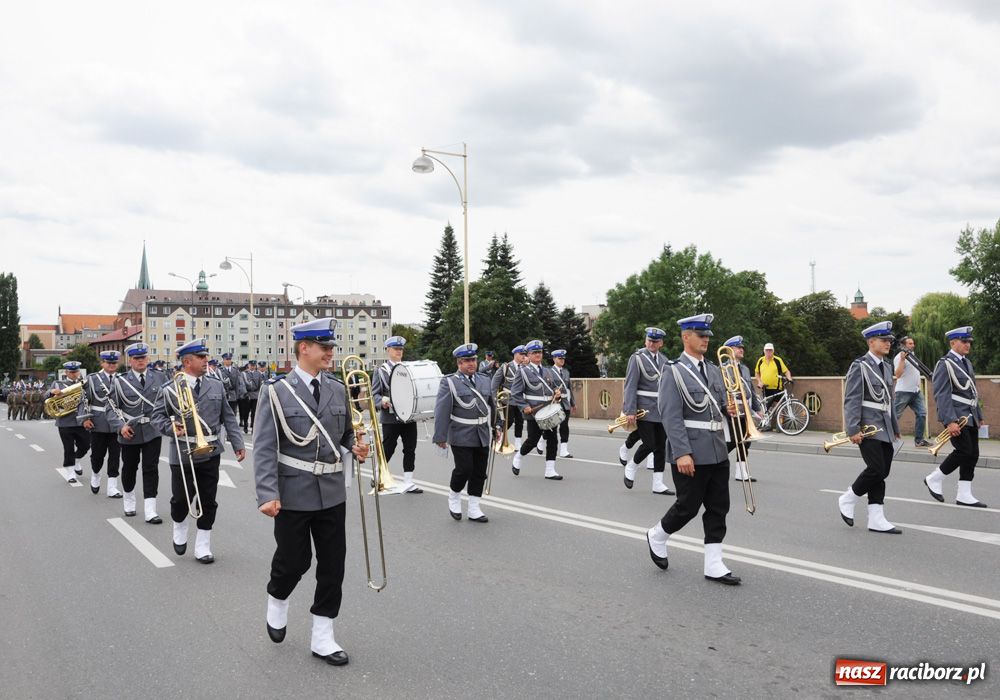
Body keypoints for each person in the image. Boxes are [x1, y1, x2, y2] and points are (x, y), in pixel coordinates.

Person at [253, 318, 368, 667]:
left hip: (332, 491)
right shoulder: (275, 391)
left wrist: (357, 446)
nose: (331, 353)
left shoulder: (336, 388)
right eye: (324, 347)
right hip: (293, 492)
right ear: (304, 348)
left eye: (332, 347)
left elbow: (344, 434)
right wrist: (266, 493)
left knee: (333, 566)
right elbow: (264, 446)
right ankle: (277, 597)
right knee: (294, 561)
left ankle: (323, 635)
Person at [645, 314, 741, 584]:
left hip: (716, 448)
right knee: (688, 506)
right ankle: (658, 535)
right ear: (686, 337)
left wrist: (728, 408)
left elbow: (719, 402)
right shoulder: (673, 370)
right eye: (701, 336)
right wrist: (682, 452)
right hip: (691, 450)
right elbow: (671, 416)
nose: (707, 340)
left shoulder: (712, 369)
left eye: (708, 336)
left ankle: (713, 563)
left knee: (718, 506)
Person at [152, 338, 245, 563]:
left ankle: (203, 545)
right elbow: (157, 416)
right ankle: (180, 527)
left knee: (208, 500)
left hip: (210, 449)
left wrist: (238, 442)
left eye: (205, 357)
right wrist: (170, 426)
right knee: (182, 499)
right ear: (187, 361)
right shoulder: (169, 389)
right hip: (183, 450)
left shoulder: (215, 384)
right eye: (201, 357)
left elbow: (228, 416)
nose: (206, 361)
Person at [836, 321, 903, 534]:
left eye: (889, 341)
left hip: (884, 425)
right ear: (871, 341)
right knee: (876, 469)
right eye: (884, 340)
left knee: (882, 472)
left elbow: (888, 400)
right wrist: (853, 428)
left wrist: (894, 426)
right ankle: (848, 498)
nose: (888, 344)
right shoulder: (860, 366)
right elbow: (852, 398)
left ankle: (876, 518)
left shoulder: (887, 366)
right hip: (867, 426)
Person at [923, 326, 988, 507]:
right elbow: (941, 394)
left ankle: (964, 494)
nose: (968, 345)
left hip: (970, 414)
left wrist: (979, 414)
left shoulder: (966, 362)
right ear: (953, 343)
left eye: (969, 342)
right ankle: (934, 478)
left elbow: (972, 391)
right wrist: (949, 420)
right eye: (964, 341)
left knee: (973, 454)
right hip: (956, 416)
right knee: (963, 450)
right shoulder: (945, 363)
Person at [434, 343, 497, 522]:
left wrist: (497, 425)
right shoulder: (449, 382)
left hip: (482, 432)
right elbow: (442, 410)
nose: (471, 363)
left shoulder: (485, 379)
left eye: (473, 360)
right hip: (460, 432)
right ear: (459, 363)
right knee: (464, 469)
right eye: (467, 360)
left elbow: (491, 405)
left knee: (479, 471)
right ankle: (454, 496)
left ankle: (474, 507)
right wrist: (440, 436)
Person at [109, 342, 166, 523]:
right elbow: (110, 408)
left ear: (148, 359)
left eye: (143, 358)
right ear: (130, 360)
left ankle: (150, 509)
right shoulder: (121, 381)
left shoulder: (160, 377)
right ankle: (129, 500)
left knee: (151, 469)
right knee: (129, 468)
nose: (140, 361)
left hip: (152, 430)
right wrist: (120, 426)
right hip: (130, 431)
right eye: (136, 358)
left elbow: (169, 402)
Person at [621, 327, 674, 495]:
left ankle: (657, 483)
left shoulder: (665, 361)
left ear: (661, 343)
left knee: (661, 447)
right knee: (649, 443)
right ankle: (632, 465)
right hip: (643, 408)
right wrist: (630, 410)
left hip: (660, 410)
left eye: (656, 341)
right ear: (646, 341)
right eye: (650, 340)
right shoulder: (637, 358)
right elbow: (630, 385)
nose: (652, 343)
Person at [369, 336, 422, 494]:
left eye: (401, 349)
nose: (399, 352)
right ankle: (378, 475)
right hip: (390, 417)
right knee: (388, 448)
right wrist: (382, 401)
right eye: (396, 349)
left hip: (408, 416)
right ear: (388, 350)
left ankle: (408, 482)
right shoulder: (381, 371)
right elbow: (375, 394)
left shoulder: (408, 369)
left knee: (410, 448)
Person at [510, 339, 563, 481]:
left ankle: (550, 470)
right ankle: (518, 457)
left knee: (552, 439)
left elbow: (552, 389)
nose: (538, 355)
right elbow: (515, 393)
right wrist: (523, 406)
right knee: (533, 440)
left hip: (548, 411)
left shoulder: (547, 371)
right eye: (534, 352)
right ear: (528, 354)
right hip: (533, 412)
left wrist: (557, 393)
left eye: (539, 352)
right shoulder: (523, 372)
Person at [77, 350, 124, 498]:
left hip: (117, 423)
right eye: (109, 363)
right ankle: (95, 476)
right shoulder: (92, 379)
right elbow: (84, 400)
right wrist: (85, 418)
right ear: (102, 363)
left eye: (114, 363)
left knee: (115, 455)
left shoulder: (123, 379)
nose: (111, 365)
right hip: (98, 422)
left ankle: (112, 487)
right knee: (97, 455)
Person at [721, 336, 763, 483]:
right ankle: (713, 462)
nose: (741, 350)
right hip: (733, 409)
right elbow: (721, 389)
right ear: (730, 350)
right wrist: (726, 407)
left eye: (742, 347)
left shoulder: (744, 368)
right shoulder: (723, 367)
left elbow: (750, 389)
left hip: (746, 409)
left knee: (746, 441)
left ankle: (741, 472)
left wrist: (757, 409)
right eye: (738, 347)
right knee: (734, 440)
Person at [48, 361, 89, 484]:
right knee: (68, 448)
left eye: (76, 371)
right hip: (65, 422)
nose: (74, 374)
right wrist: (52, 393)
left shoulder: (84, 384)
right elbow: (46, 394)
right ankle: (71, 473)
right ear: (66, 373)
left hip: (82, 420)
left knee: (86, 445)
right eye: (71, 372)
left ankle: (77, 459)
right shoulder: (58, 384)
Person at [893, 336, 931, 448]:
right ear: (904, 345)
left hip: (915, 391)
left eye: (913, 343)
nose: (913, 345)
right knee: (894, 416)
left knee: (922, 414)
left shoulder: (913, 356)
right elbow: (898, 374)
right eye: (910, 343)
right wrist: (902, 360)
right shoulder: (899, 357)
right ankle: (886, 438)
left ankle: (919, 441)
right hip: (903, 392)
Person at [491, 345, 527, 450]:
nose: (523, 356)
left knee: (520, 421)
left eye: (524, 354)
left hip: (520, 399)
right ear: (515, 354)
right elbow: (495, 382)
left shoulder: (525, 368)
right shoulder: (506, 367)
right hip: (508, 399)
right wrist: (493, 397)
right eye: (521, 354)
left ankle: (518, 442)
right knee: (508, 420)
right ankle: (499, 437)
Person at [549, 349, 575, 458]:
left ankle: (564, 450)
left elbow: (569, 388)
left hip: (565, 403)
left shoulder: (566, 372)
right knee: (552, 426)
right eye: (560, 358)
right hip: (555, 403)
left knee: (564, 426)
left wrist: (573, 403)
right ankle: (542, 440)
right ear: (554, 359)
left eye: (563, 358)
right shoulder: (549, 372)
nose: (562, 360)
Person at [219, 353, 245, 418]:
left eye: (229, 359)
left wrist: (238, 395)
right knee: (224, 412)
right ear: (223, 360)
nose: (228, 361)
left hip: (233, 394)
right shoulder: (219, 370)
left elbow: (238, 383)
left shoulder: (235, 370)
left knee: (233, 412)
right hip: (224, 394)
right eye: (226, 359)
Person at [242, 361, 263, 433]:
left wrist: (259, 394)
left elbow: (260, 385)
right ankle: (245, 426)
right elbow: (242, 384)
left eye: (254, 365)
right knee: (246, 412)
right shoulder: (244, 374)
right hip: (247, 395)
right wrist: (245, 393)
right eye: (251, 365)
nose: (253, 367)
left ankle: (253, 427)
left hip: (255, 396)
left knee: (254, 413)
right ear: (248, 365)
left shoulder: (258, 374)